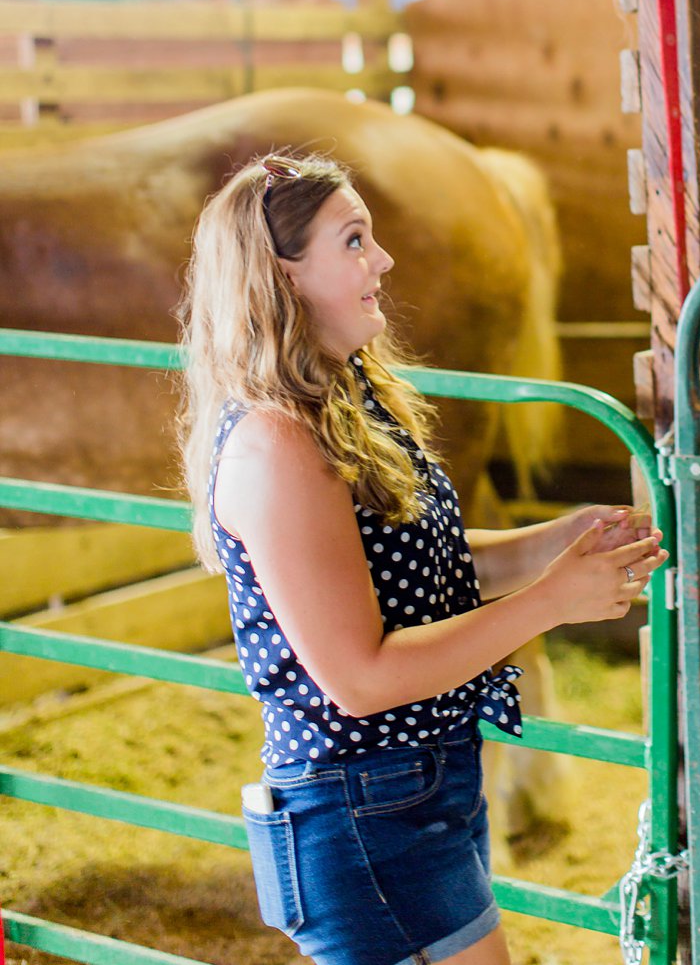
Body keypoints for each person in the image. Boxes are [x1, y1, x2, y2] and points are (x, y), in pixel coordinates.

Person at [178, 152, 666, 965]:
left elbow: (423, 568)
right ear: (283, 276)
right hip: (359, 808)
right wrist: (552, 602)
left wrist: (562, 543)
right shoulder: (276, 442)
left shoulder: (343, 397)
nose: (384, 260)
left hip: (420, 784)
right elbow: (360, 677)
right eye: (355, 240)